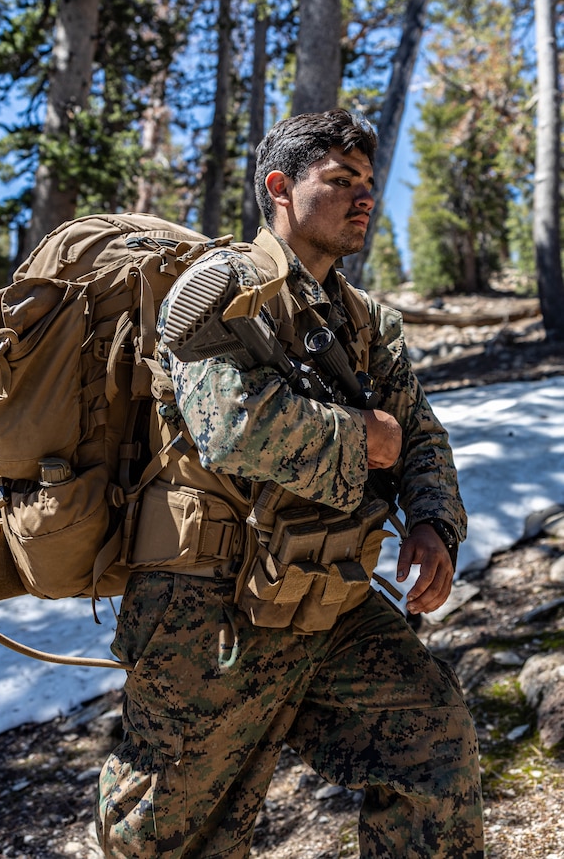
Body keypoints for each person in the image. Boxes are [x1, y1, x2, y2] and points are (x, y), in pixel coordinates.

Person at [95, 108, 484, 858]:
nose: (364, 197)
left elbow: (420, 435)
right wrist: (359, 437)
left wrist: (433, 521)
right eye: (340, 180)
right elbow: (227, 424)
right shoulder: (220, 288)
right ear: (279, 187)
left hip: (329, 598)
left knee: (433, 747)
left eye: (368, 182)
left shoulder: (367, 321)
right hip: (208, 611)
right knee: (167, 835)